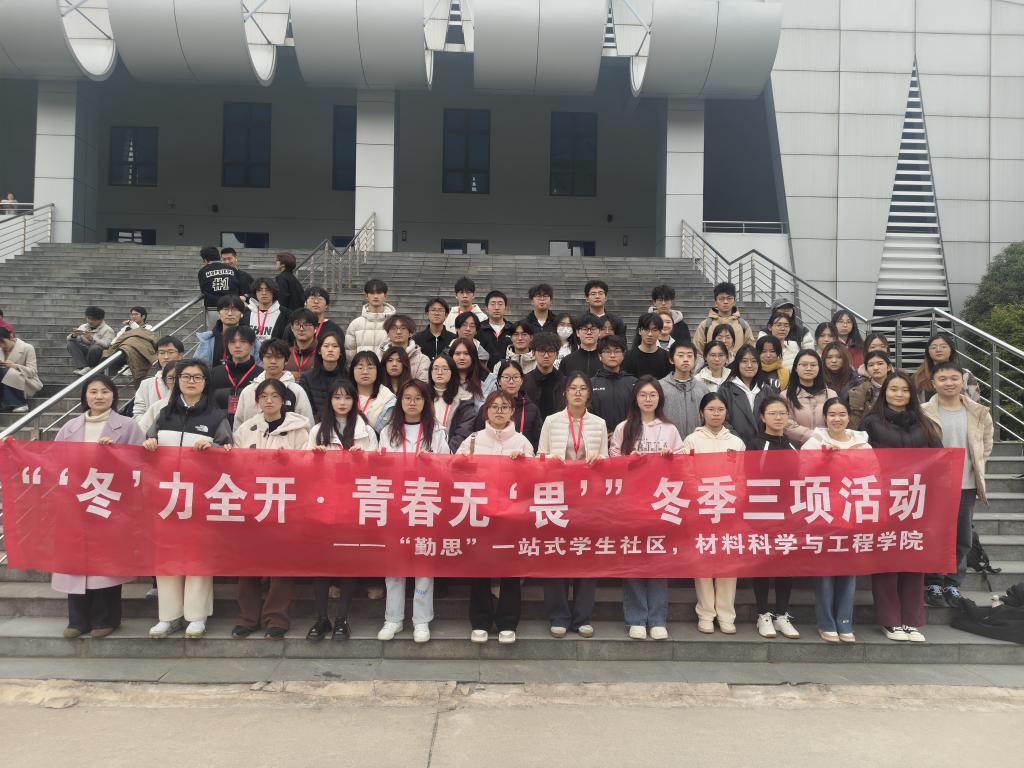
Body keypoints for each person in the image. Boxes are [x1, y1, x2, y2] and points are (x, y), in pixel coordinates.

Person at [144, 360, 232, 639]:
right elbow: (146, 443)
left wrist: (213, 446)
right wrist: (149, 444)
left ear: (206, 383)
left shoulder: (216, 417)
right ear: (176, 381)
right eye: (185, 377)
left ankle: (196, 616)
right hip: (166, 498)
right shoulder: (163, 414)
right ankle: (168, 616)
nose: (191, 381)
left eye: (197, 377)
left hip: (201, 498)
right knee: (166, 556)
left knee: (198, 557)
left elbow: (230, 451)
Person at [52, 375, 145, 639]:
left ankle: (106, 619)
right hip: (76, 503)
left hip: (110, 503)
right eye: (93, 391)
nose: (99, 396)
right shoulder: (69, 427)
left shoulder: (128, 426)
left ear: (114, 396)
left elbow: (141, 463)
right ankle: (77, 620)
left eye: (105, 391)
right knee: (75, 561)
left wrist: (117, 453)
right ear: (85, 396)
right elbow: (55, 462)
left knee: (106, 563)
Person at [862, 373, 943, 643]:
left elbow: (939, 459)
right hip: (884, 500)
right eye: (893, 389)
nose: (899, 394)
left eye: (904, 390)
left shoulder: (925, 424)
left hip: (916, 500)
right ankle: (890, 620)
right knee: (886, 559)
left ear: (912, 394)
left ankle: (911, 620)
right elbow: (861, 459)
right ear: (884, 392)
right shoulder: (871, 423)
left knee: (913, 558)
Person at [231, 379, 310, 639]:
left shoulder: (299, 431)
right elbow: (235, 466)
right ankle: (248, 617)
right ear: (257, 401)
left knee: (281, 564)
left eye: (275, 396)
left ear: (284, 400)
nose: (269, 400)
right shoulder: (246, 429)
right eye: (264, 396)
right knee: (248, 564)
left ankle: (276, 618)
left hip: (285, 505)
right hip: (252, 505)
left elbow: (307, 468)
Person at [610, 376, 685, 640]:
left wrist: (670, 459)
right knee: (633, 559)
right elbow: (612, 461)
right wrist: (628, 460)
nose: (648, 399)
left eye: (653, 395)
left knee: (657, 559)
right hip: (631, 502)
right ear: (635, 399)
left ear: (660, 399)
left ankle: (657, 618)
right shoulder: (623, 428)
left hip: (661, 502)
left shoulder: (670, 429)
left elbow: (683, 462)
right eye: (643, 395)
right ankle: (636, 618)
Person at [305, 380, 379, 641]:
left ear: (354, 401)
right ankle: (321, 619)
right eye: (337, 397)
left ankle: (342, 619)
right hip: (323, 504)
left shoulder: (366, 431)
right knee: (321, 564)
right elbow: (301, 468)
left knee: (348, 560)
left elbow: (379, 469)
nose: (342, 402)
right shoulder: (317, 430)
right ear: (330, 401)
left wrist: (364, 458)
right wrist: (314, 457)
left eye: (347, 397)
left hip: (354, 505)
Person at [457, 390, 534, 644]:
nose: (499, 411)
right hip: (479, 514)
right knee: (479, 569)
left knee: (510, 571)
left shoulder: (522, 442)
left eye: (505, 407)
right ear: (486, 411)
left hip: (511, 517)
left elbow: (533, 480)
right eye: (494, 406)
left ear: (512, 412)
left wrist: (523, 464)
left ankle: (508, 622)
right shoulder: (472, 440)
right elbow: (454, 472)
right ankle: (480, 621)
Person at [377, 380, 451, 643]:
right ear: (400, 401)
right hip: (396, 504)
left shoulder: (437, 431)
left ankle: (421, 620)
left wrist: (432, 462)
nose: (412, 402)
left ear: (426, 402)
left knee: (423, 563)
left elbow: (448, 467)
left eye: (418, 398)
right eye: (407, 397)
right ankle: (393, 619)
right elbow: (379, 467)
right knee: (394, 564)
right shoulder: (388, 431)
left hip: (425, 503)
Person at [539, 373, 608, 638]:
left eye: (582, 389)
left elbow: (606, 459)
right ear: (564, 393)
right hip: (557, 496)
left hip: (588, 498)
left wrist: (599, 459)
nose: (577, 392)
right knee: (556, 553)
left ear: (589, 394)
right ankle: (558, 615)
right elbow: (540, 455)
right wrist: (550, 458)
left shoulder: (599, 423)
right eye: (573, 388)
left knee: (585, 555)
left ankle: (582, 617)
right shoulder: (551, 421)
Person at [922, 362, 994, 608]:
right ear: (933, 384)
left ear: (962, 381)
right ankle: (933, 582)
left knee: (962, 536)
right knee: (933, 534)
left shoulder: (978, 412)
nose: (949, 383)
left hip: (966, 484)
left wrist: (976, 465)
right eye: (942, 379)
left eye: (954, 378)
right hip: (934, 485)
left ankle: (952, 582)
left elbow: (986, 443)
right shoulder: (923, 412)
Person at [802, 398, 870, 643]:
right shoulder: (814, 443)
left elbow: (873, 475)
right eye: (832, 414)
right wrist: (823, 459)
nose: (837, 419)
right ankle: (826, 622)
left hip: (853, 512)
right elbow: (801, 475)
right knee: (825, 570)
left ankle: (844, 621)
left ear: (849, 417)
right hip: (824, 514)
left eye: (842, 414)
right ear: (825, 418)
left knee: (849, 570)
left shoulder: (862, 444)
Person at [683, 393, 746, 633]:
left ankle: (726, 615)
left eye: (720, 409)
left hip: (729, 509)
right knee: (703, 561)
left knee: (728, 561)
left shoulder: (736, 442)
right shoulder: (691, 440)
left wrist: (734, 501)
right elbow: (686, 474)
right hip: (701, 508)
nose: (716, 413)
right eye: (711, 409)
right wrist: (702, 500)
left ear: (726, 412)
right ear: (702, 412)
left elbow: (742, 477)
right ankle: (706, 613)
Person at [745, 395, 800, 640]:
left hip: (789, 514)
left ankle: (781, 614)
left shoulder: (793, 445)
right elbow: (748, 479)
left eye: (782, 413)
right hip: (762, 514)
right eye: (773, 413)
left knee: (786, 565)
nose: (778, 418)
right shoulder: (755, 444)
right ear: (762, 417)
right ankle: (763, 614)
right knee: (763, 564)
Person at [235, 339, 315, 427]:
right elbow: (238, 425)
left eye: (278, 357)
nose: (273, 361)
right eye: (268, 356)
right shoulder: (249, 391)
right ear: (262, 359)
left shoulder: (296, 391)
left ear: (286, 360)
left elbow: (307, 424)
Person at [472, 360, 541, 450]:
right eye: (506, 377)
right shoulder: (488, 407)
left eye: (516, 377)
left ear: (521, 380)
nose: (511, 381)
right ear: (499, 381)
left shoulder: (531, 409)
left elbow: (537, 443)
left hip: (521, 456)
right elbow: (477, 438)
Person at [718, 345, 778, 444]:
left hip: (763, 445)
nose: (749, 365)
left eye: (754, 361)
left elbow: (775, 417)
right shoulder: (726, 389)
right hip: (736, 445)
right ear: (737, 364)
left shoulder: (766, 390)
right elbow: (722, 420)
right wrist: (737, 441)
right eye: (744, 361)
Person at [781, 350, 837, 445]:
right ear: (796, 368)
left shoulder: (831, 395)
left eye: (813, 365)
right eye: (804, 365)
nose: (808, 368)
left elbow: (836, 420)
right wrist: (816, 436)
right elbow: (787, 425)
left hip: (828, 446)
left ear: (819, 368)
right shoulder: (785, 396)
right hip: (797, 448)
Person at [660, 341, 710, 441]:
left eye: (690, 356)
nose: (686, 359)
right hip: (668, 444)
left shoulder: (702, 388)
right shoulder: (660, 387)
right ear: (671, 359)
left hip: (697, 444)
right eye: (681, 355)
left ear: (695, 360)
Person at [209, 325, 260, 422]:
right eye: (232, 342)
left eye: (243, 341)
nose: (237, 346)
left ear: (252, 344)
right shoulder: (214, 373)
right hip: (219, 426)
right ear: (227, 344)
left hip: (250, 427)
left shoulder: (261, 375)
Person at [914, 332, 982, 402]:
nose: (938, 350)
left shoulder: (965, 374)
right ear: (928, 352)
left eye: (943, 347)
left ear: (951, 350)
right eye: (933, 347)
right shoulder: (919, 377)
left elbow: (975, 401)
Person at [692, 281, 755, 356]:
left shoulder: (743, 325)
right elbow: (697, 352)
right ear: (716, 302)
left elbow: (751, 351)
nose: (725, 302)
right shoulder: (705, 325)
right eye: (721, 299)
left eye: (729, 298)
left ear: (734, 301)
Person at [430, 353, 477, 452]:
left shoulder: (464, 399)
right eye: (436, 368)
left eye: (445, 369)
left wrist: (447, 452)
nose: (439, 372)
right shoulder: (421, 396)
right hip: (423, 452)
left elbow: (463, 431)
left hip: (451, 454)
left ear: (453, 372)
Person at [589, 336, 636, 434]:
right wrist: (604, 433)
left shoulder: (634, 383)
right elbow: (587, 414)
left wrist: (622, 433)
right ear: (600, 356)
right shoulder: (590, 384)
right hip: (599, 436)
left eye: (617, 351)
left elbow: (639, 413)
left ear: (623, 355)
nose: (612, 355)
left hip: (629, 436)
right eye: (607, 351)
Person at [133, 336, 185, 419]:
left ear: (180, 355)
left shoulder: (189, 381)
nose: (166, 357)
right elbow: (138, 413)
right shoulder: (146, 384)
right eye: (161, 353)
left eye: (171, 352)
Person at [298, 331, 347, 416]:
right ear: (319, 351)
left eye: (335, 346)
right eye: (326, 346)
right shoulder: (306, 378)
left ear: (341, 352)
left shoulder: (349, 377)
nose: (330, 350)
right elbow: (306, 409)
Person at [345, 278, 396, 359]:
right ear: (366, 296)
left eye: (379, 293)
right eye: (372, 293)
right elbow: (350, 354)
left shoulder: (395, 323)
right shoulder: (355, 324)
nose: (375, 296)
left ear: (385, 296)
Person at [349, 350, 396, 433]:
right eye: (360, 368)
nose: (365, 372)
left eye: (370, 367)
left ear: (378, 371)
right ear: (352, 371)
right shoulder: (344, 396)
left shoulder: (388, 399)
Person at [195, 295, 247, 368]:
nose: (230, 313)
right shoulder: (207, 339)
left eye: (234, 310)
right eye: (225, 309)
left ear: (242, 314)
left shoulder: (250, 339)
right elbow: (197, 367)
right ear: (219, 314)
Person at [846, 350, 894, 429]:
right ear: (866, 369)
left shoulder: (898, 388)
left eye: (880, 364)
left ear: (888, 367)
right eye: (871, 365)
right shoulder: (859, 391)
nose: (876, 368)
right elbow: (855, 421)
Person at [524, 332, 566, 419]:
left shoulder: (565, 383)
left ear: (557, 354)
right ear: (533, 353)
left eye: (551, 351)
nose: (546, 356)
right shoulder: (524, 381)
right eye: (542, 350)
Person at [198, 246, 240, 331]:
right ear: (219, 257)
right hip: (232, 307)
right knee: (232, 333)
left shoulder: (203, 271)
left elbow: (203, 289)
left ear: (205, 260)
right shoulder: (232, 269)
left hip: (213, 308)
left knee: (214, 333)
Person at [0, 327, 41, 412]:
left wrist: (15, 366)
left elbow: (32, 371)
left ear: (11, 337)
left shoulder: (27, 348)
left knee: (6, 371)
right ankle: (7, 404)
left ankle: (20, 403)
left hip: (25, 382)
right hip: (4, 382)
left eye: (3, 342)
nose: (2, 346)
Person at [378, 314, 429, 382]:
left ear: (410, 333)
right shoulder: (380, 356)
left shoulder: (422, 360)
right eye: (393, 328)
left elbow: (422, 384)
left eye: (403, 328)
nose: (398, 332)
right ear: (388, 333)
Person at [67, 305, 116, 374]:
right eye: (88, 318)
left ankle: (91, 368)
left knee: (95, 348)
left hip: (99, 355)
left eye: (94, 319)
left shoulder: (108, 330)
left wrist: (92, 339)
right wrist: (74, 335)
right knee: (71, 343)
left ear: (101, 320)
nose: (90, 321)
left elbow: (107, 344)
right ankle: (83, 367)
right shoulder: (83, 326)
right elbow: (70, 339)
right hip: (87, 351)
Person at [624, 312, 671, 379]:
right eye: (646, 329)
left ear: (660, 332)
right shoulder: (628, 357)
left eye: (654, 330)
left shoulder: (667, 358)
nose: (650, 334)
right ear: (640, 331)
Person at [246, 277, 289, 344]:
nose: (264, 293)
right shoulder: (247, 313)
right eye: (259, 290)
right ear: (255, 293)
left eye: (268, 290)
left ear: (273, 292)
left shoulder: (285, 315)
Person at [478, 290, 514, 366]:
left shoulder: (513, 329)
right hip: (484, 371)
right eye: (493, 304)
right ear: (486, 308)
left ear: (505, 308)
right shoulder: (478, 329)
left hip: (507, 371)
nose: (496, 308)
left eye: (500, 304)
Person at [560, 313, 602, 378]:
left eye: (593, 329)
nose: (589, 332)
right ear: (577, 333)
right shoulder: (567, 361)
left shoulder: (606, 360)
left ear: (599, 332)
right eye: (585, 329)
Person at [449, 337, 487, 408]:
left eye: (466, 353)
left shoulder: (487, 380)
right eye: (457, 354)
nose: (461, 358)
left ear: (473, 356)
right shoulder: (445, 380)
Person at [284, 308, 320, 380]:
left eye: (306, 324)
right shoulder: (285, 353)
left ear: (316, 328)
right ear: (292, 328)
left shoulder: (321, 354)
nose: (301, 329)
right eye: (297, 324)